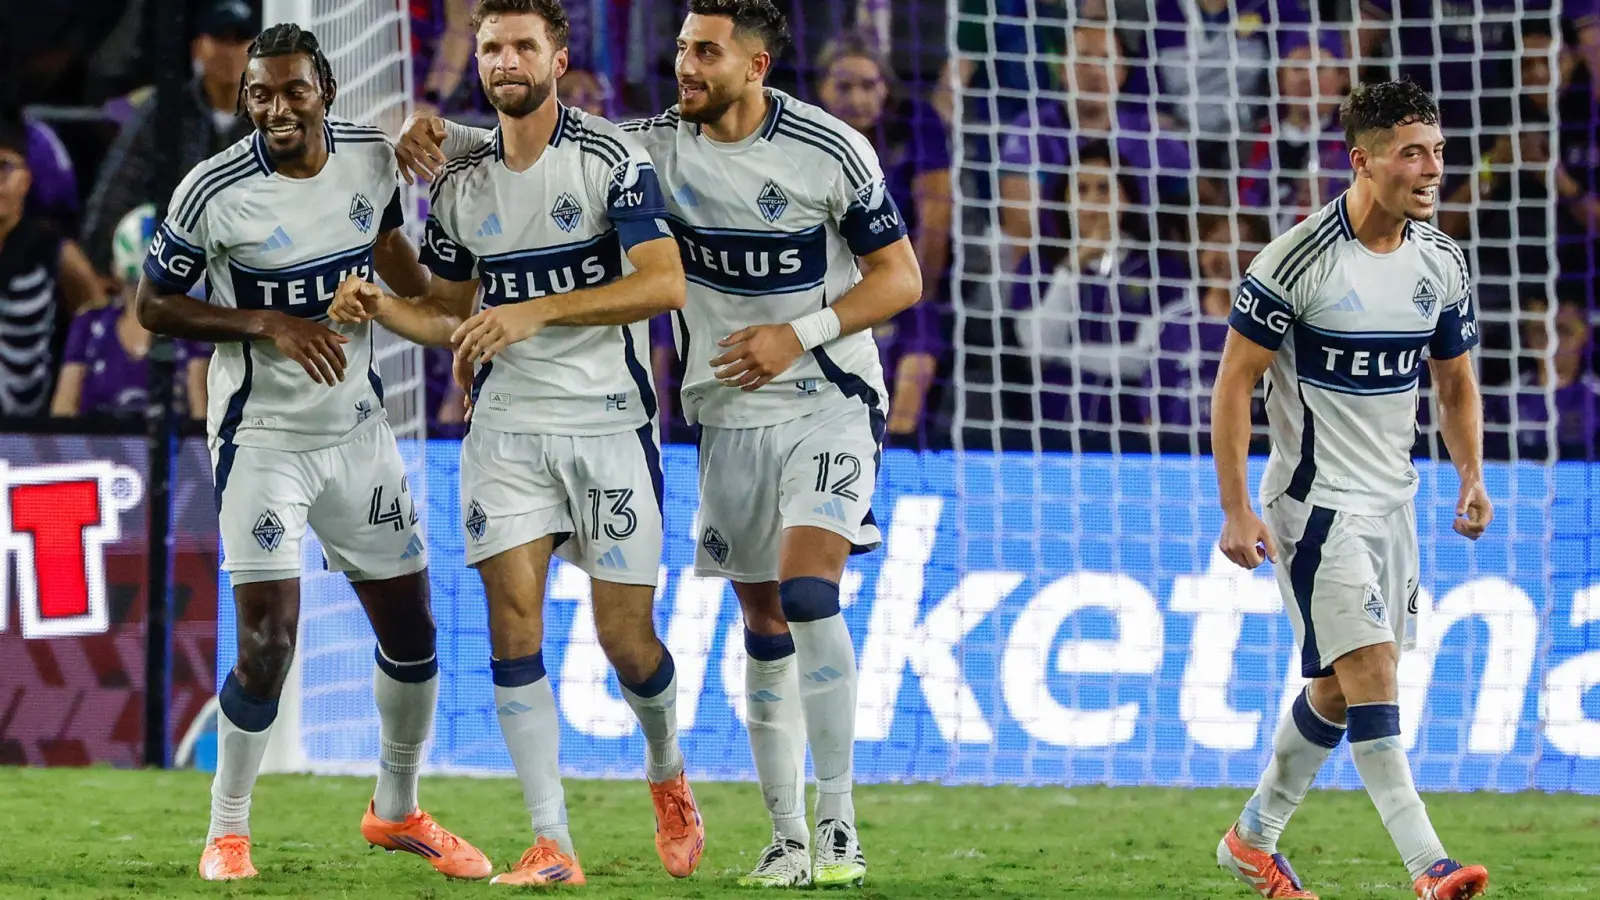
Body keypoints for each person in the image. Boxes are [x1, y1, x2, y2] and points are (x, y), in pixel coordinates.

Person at [395, 0, 922, 886]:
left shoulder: (830, 149)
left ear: (755, 67)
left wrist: (801, 333)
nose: (686, 67)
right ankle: (785, 836)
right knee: (760, 617)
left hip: (827, 393)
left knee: (805, 592)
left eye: (706, 54)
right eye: (681, 49)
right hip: (724, 412)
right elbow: (548, 139)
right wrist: (442, 132)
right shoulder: (653, 148)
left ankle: (837, 826)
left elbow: (900, 277)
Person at [328, 0, 701, 886]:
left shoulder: (612, 157)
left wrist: (535, 310)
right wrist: (382, 306)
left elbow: (663, 284)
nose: (504, 59)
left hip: (609, 422)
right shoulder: (461, 184)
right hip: (504, 431)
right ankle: (552, 843)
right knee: (512, 626)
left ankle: (666, 772)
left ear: (558, 57)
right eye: (490, 45)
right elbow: (453, 314)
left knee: (627, 640)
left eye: (522, 44)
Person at [133, 23, 489, 883]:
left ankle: (396, 810)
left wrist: (441, 304)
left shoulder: (371, 157)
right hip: (262, 440)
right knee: (268, 645)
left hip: (359, 433)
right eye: (261, 94)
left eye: (293, 90)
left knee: (413, 635)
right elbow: (153, 305)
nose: (277, 108)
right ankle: (227, 830)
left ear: (325, 86)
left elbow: (394, 256)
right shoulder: (212, 190)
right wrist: (266, 321)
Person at [1210, 79, 1492, 900]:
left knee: (1337, 690)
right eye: (1413, 152)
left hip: (1394, 506)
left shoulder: (1440, 260)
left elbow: (1455, 383)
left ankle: (1251, 838)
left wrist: (1471, 473)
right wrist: (1236, 506)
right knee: (1370, 670)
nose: (1432, 168)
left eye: (1437, 151)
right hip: (1314, 506)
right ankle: (1430, 866)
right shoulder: (1296, 259)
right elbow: (1235, 384)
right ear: (1361, 160)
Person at [814, 30, 951, 447]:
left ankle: (896, 448)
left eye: (868, 85)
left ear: (886, 88)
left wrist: (902, 291)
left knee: (920, 346)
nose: (857, 98)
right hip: (827, 291)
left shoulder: (917, 124)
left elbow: (936, 221)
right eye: (844, 86)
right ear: (821, 90)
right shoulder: (802, 137)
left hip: (904, 284)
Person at [81, 0, 257, 273]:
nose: (230, 51)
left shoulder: (276, 116)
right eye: (220, 39)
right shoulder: (164, 109)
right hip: (168, 267)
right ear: (198, 47)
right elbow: (113, 194)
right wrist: (104, 261)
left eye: (240, 40)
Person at [51, 204, 208, 421]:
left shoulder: (192, 328)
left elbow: (202, 419)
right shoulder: (88, 325)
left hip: (171, 450)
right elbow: (63, 413)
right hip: (96, 451)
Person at [0, 114, 104, 420]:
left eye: (5, 168)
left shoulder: (51, 247)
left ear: (27, 179)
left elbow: (96, 314)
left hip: (32, 428)